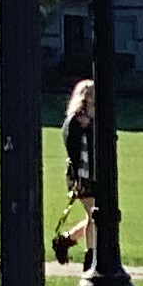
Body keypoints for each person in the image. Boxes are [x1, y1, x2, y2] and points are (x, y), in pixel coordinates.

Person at [55, 76, 100, 267]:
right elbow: (73, 149)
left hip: (94, 173)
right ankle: (90, 257)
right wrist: (76, 181)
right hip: (81, 174)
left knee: (98, 215)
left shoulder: (95, 120)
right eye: (87, 94)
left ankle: (65, 240)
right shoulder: (75, 120)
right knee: (94, 215)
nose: (90, 98)